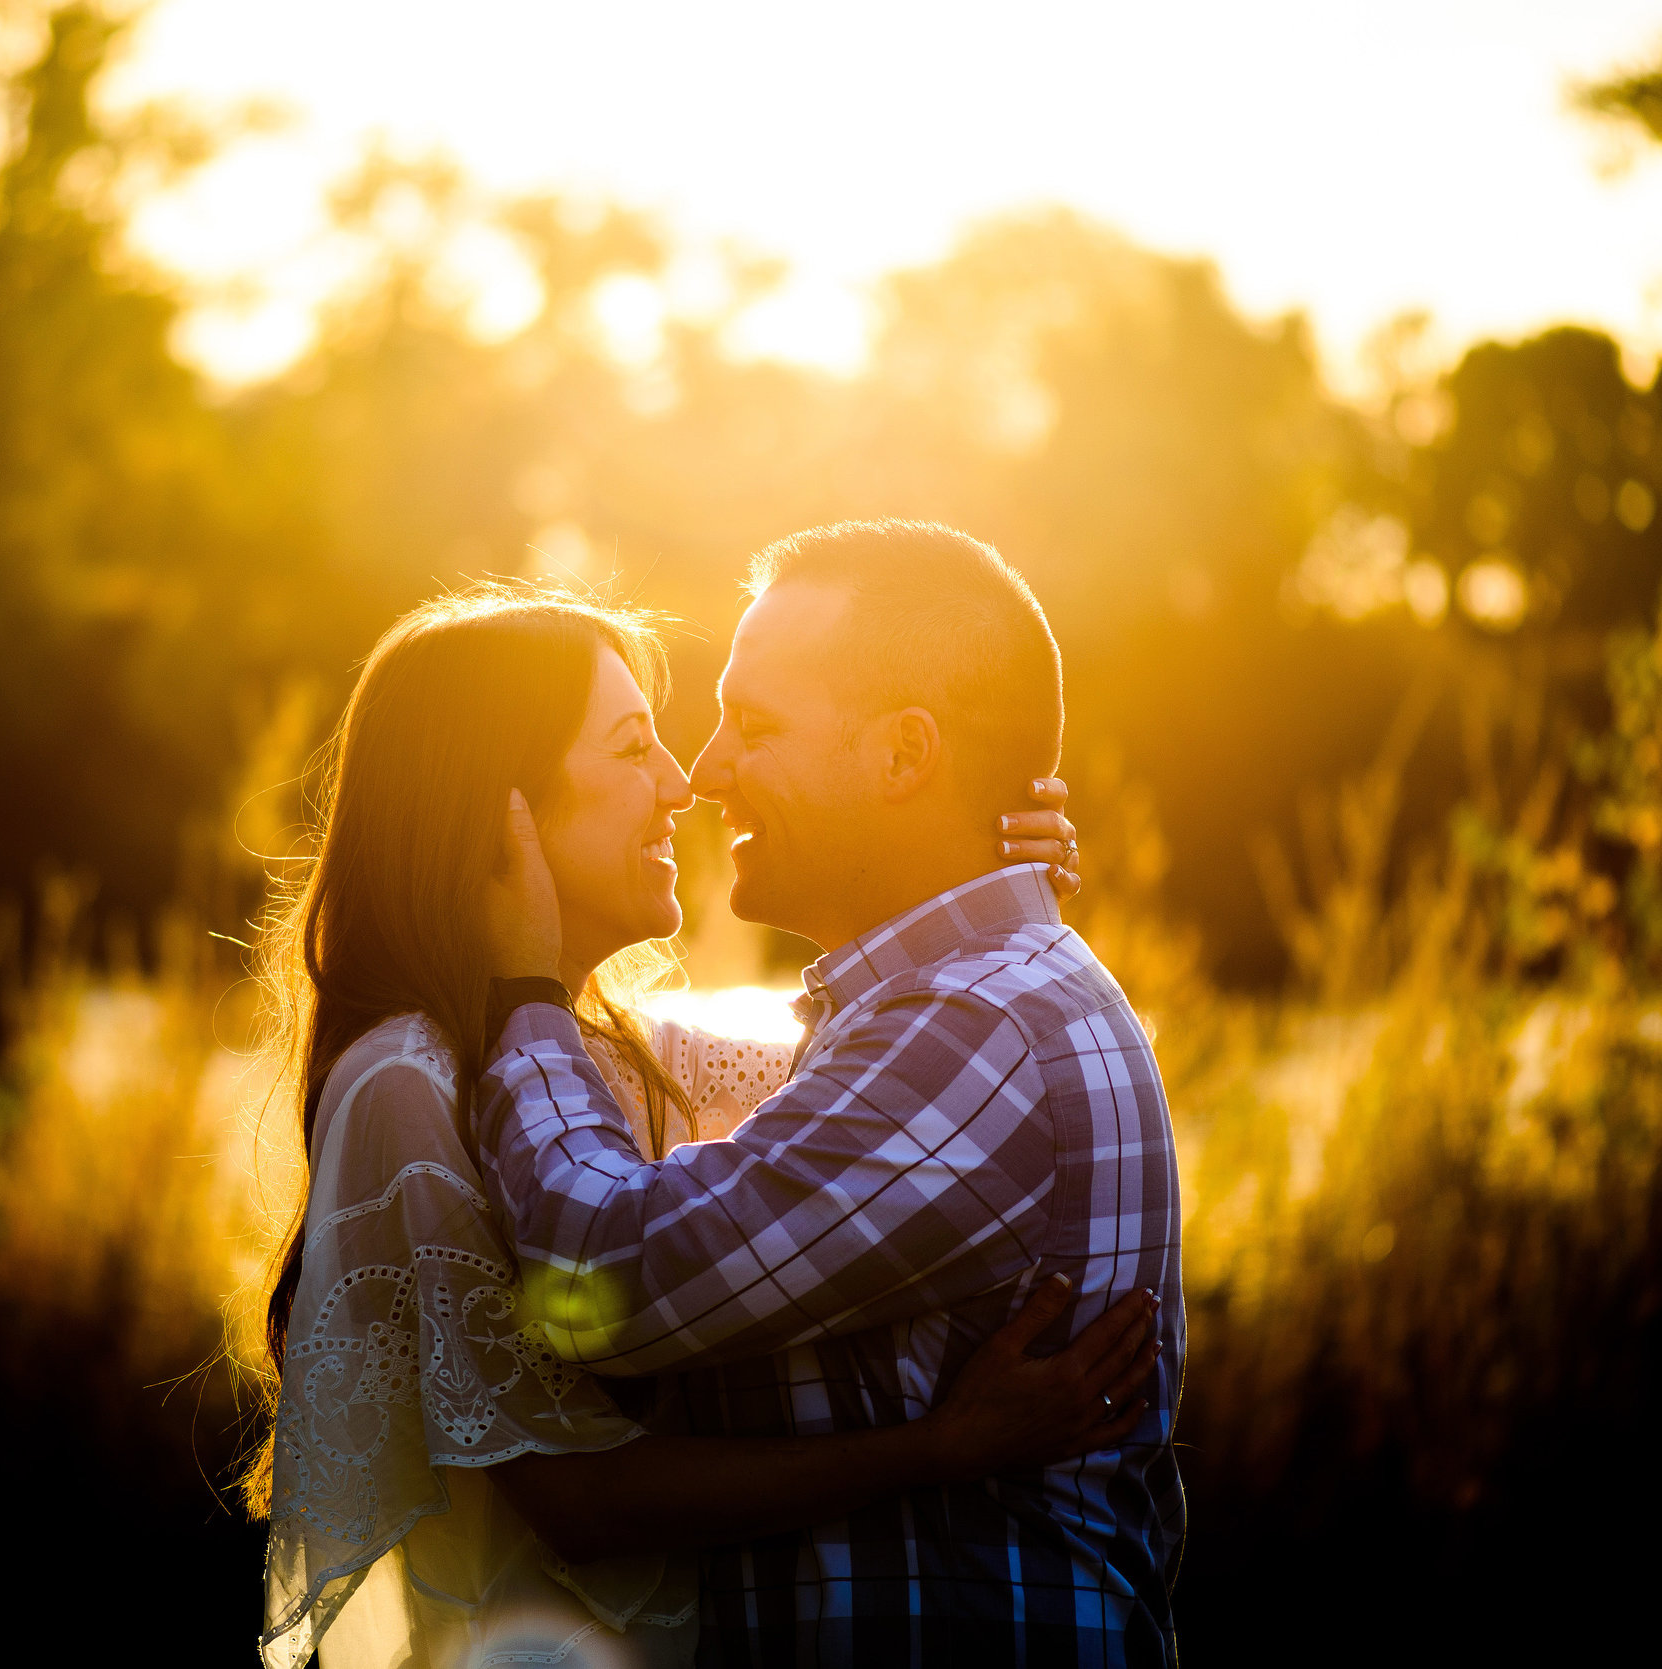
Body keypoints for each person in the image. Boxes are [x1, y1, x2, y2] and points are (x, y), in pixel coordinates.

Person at [252, 582, 1149, 1669]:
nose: (688, 781)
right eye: (636, 749)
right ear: (499, 808)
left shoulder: (609, 1053)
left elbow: (885, 1075)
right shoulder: (410, 1080)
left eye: (744, 730)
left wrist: (977, 865)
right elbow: (575, 1501)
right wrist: (934, 1449)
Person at [477, 521, 1185, 1666]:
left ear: (906, 755)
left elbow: (597, 1272)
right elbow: (692, 1100)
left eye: (752, 726)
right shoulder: (933, 1009)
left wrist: (521, 989)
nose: (702, 773)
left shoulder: (972, 1030)